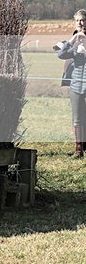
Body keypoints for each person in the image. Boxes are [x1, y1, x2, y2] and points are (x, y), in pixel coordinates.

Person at [56, 9, 86, 157]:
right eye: (77, 20)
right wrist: (72, 40)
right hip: (75, 84)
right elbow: (61, 54)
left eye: (83, 20)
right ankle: (78, 150)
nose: (80, 23)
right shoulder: (75, 39)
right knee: (77, 119)